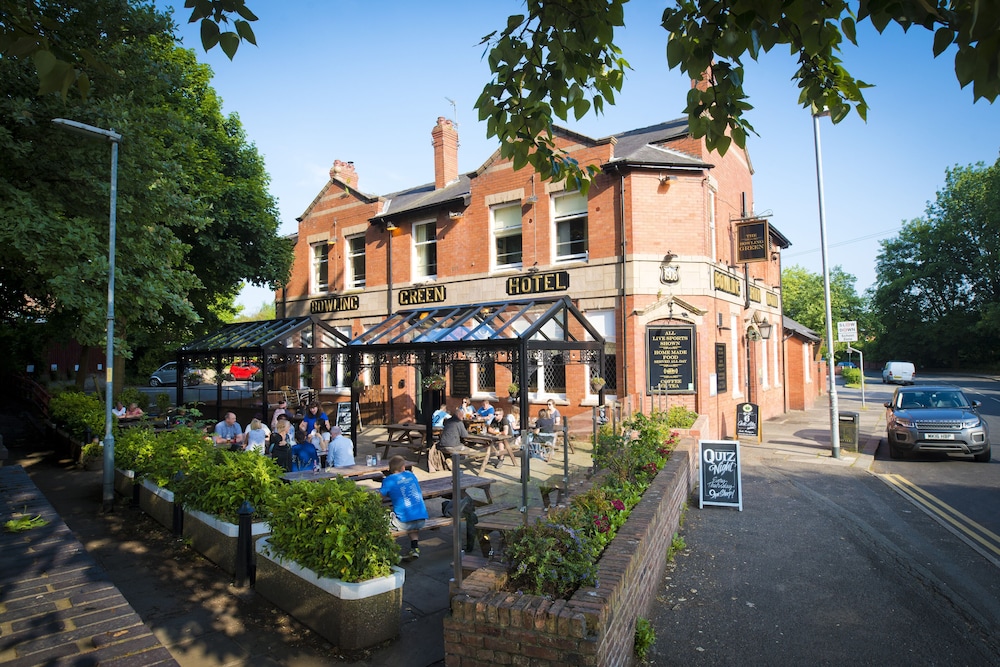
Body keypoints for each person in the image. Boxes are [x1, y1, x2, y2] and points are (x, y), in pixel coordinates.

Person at [380, 455, 428, 560]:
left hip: (404, 523)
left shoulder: (388, 481)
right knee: (412, 517)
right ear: (403, 467)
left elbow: (380, 497)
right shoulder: (411, 475)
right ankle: (415, 548)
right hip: (421, 520)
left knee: (384, 520)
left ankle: (392, 552)